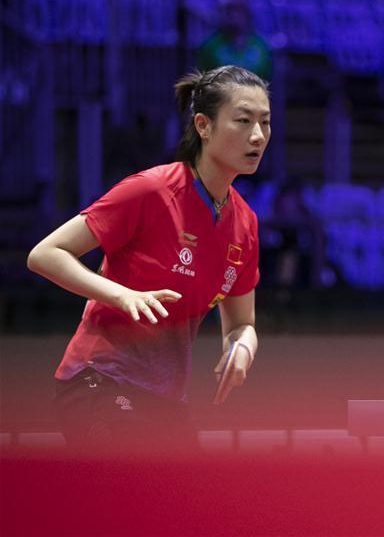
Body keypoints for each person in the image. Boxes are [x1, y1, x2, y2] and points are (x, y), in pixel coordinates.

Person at [26, 65, 270, 452]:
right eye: (243, 121)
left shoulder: (245, 224)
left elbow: (241, 323)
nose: (257, 136)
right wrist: (121, 295)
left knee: (191, 505)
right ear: (204, 126)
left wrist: (242, 347)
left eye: (265, 122)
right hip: (100, 381)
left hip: (165, 399)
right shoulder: (153, 190)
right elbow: (45, 254)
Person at [198, 0, 272, 82]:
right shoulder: (210, 46)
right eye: (230, 12)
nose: (234, 16)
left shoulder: (260, 46)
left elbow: (267, 78)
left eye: (239, 11)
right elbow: (203, 78)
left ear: (248, 15)